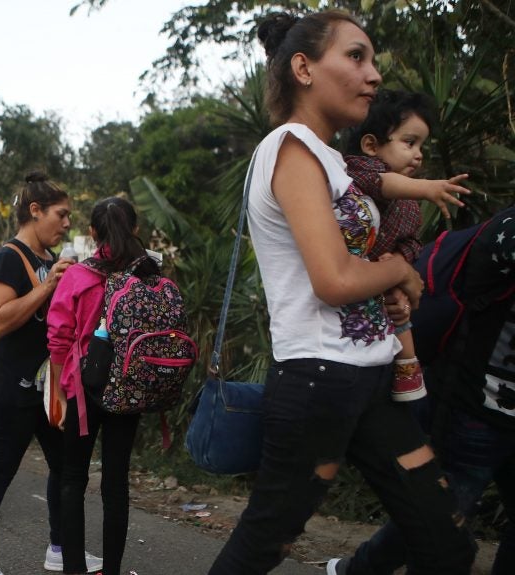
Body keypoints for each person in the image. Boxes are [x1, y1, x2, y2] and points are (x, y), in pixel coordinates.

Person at [207, 11, 476, 574]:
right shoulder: (291, 147)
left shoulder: (333, 160)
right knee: (263, 545)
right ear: (303, 68)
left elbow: (354, 270)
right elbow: (335, 279)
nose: (373, 74)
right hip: (317, 382)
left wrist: (388, 288)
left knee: (444, 539)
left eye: (372, 60)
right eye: (356, 57)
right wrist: (400, 274)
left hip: (371, 376)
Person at [332, 206, 515, 574]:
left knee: (438, 518)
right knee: (442, 521)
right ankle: (361, 569)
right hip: (476, 411)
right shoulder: (507, 232)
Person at [0, 172, 101, 575]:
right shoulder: (6, 258)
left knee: (64, 469)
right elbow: (1, 322)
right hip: (10, 389)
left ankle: (60, 549)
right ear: (35, 211)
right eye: (60, 214)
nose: (66, 223)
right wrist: (48, 286)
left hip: (47, 389)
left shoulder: (47, 260)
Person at [48, 197, 156, 575]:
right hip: (129, 387)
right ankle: (111, 570)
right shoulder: (149, 275)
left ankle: (74, 568)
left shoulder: (78, 276)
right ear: (135, 230)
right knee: (116, 483)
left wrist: (58, 395)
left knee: (73, 477)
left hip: (82, 388)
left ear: (92, 233)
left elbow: (59, 337)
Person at [344, 89, 449, 403]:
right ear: (371, 145)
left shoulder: (410, 203)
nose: (418, 154)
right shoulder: (357, 170)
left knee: (399, 311)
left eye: (421, 146)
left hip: (384, 281)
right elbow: (382, 184)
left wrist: (400, 259)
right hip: (353, 274)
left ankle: (407, 370)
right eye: (409, 142)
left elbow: (413, 241)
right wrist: (428, 188)